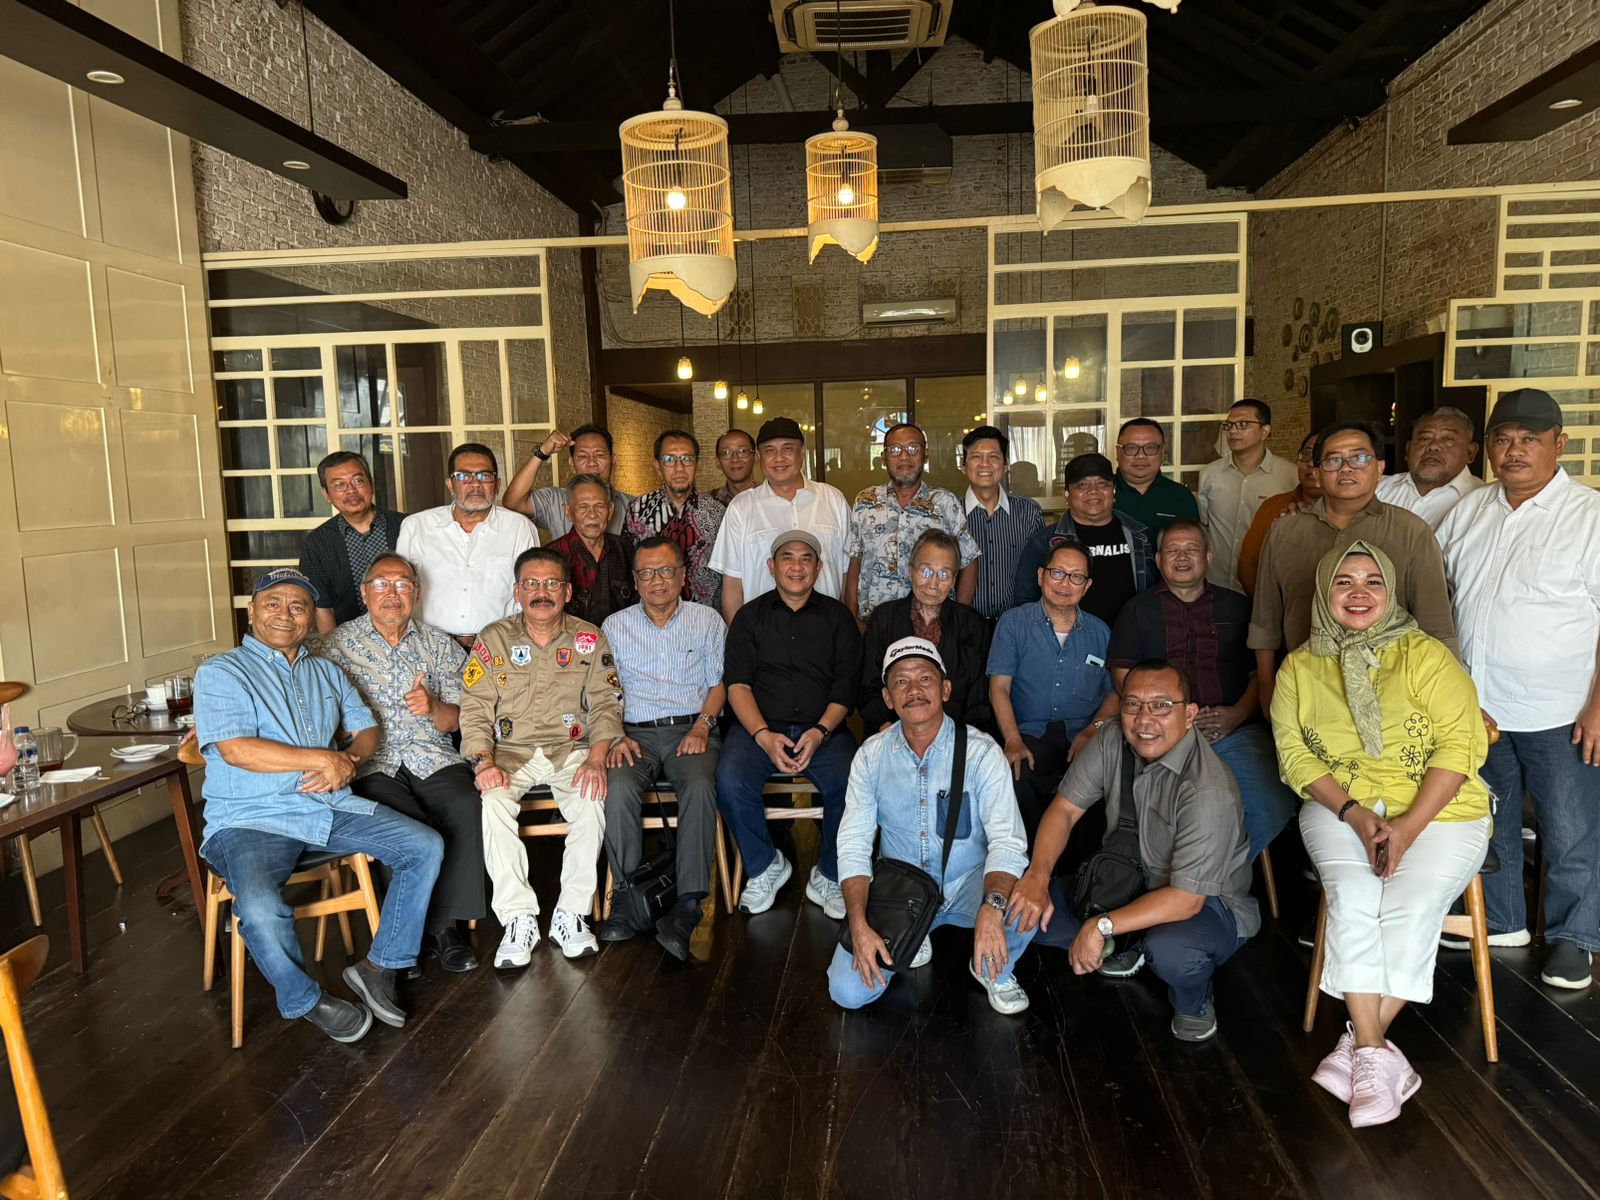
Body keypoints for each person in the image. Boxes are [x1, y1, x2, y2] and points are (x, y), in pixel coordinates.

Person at [1271, 542, 1491, 1125]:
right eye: (1344, 581)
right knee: (1353, 899)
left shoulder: (1426, 655)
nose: (1359, 592)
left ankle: (1361, 1048)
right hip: (1339, 808)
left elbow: (1461, 745)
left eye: (1373, 581)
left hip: (1441, 811)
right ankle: (1375, 1053)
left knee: (1410, 906)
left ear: (1391, 592)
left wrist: (1407, 828)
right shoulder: (1299, 668)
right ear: (1324, 593)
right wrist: (1355, 814)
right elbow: (1294, 756)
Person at [194, 568, 444, 1043]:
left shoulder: (325, 671)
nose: (285, 615)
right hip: (251, 819)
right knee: (260, 909)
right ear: (252, 611)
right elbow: (237, 750)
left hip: (326, 807)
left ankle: (379, 966)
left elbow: (367, 729)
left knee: (424, 846)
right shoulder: (222, 672)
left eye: (298, 606)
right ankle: (305, 999)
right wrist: (323, 758)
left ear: (311, 618)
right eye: (273, 604)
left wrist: (349, 761)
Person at [1437, 388, 1600, 990]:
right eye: (1503, 439)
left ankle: (1575, 937)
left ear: (1560, 444)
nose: (1514, 451)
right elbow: (1441, 591)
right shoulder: (1471, 510)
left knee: (1570, 828)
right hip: (1477, 706)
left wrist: (1599, 706)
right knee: (1487, 818)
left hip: (1561, 707)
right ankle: (1502, 919)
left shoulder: (1590, 515)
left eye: (1530, 439)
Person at [1009, 660, 1260, 1044]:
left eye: (1161, 705)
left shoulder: (1208, 788)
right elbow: (1064, 810)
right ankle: (1130, 940)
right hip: (1126, 880)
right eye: (1132, 704)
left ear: (1189, 714)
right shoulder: (1112, 737)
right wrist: (1037, 876)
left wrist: (1101, 925)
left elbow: (1187, 900)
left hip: (1206, 906)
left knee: (1174, 951)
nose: (1144, 719)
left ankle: (1193, 1002)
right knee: (1024, 913)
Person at [828, 638, 1037, 1014]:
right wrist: (857, 923)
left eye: (925, 678)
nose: (914, 690)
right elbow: (854, 844)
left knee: (1027, 905)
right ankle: (915, 932)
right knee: (847, 991)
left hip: (968, 884)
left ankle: (993, 968)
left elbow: (1007, 842)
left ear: (945, 689)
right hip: (902, 892)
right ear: (887, 698)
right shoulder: (871, 757)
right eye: (901, 681)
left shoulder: (982, 753)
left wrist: (992, 906)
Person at [319, 553, 487, 973]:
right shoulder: (332, 646)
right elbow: (286, 684)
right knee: (401, 820)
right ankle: (422, 931)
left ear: (417, 592)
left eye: (402, 584)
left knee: (466, 804)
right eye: (381, 584)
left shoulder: (440, 645)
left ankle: (443, 927)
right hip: (371, 761)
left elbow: (463, 716)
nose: (392, 593)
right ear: (364, 594)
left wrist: (433, 707)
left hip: (433, 754)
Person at [459, 548, 621, 967]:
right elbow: (474, 707)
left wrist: (597, 758)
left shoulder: (589, 638)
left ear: (567, 591)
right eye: (531, 584)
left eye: (551, 583)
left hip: (571, 750)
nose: (541, 592)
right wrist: (483, 762)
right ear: (517, 592)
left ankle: (571, 914)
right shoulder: (494, 638)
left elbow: (606, 702)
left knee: (591, 799)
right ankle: (518, 918)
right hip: (509, 753)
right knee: (493, 803)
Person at [1108, 521, 1295, 858]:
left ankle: (1215, 876)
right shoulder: (1137, 610)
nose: (1182, 557)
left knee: (1270, 802)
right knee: (1158, 810)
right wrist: (1169, 723)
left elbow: (1260, 673)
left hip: (1234, 732)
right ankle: (1197, 878)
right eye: (1173, 550)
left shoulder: (1237, 607)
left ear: (1208, 557)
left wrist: (1237, 714)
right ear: (1158, 560)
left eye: (1191, 549)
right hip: (1163, 735)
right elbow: (1123, 675)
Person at [1249, 422, 1457, 716]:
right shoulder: (1284, 531)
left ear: (1380, 468)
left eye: (1359, 458)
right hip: (1304, 691)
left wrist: (1450, 696)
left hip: (1395, 694)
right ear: (1317, 472)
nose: (1346, 468)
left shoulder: (1411, 532)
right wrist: (1266, 686)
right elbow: (1265, 621)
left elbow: (1436, 625)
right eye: (1333, 460)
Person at [716, 531, 862, 917]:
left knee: (853, 781)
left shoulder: (838, 619)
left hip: (824, 731)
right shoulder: (749, 618)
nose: (797, 566)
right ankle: (765, 865)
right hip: (759, 730)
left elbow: (845, 687)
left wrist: (820, 732)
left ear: (818, 567)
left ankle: (830, 873)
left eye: (805, 559)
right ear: (771, 566)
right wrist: (763, 736)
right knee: (730, 779)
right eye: (787, 558)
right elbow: (737, 685)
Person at [599, 537, 727, 960]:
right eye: (647, 573)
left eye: (667, 570)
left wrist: (703, 727)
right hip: (632, 734)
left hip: (692, 729)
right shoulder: (614, 626)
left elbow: (719, 685)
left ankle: (688, 905)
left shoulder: (707, 620)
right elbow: (603, 690)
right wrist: (615, 734)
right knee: (617, 787)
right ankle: (626, 897)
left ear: (683, 575)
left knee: (700, 786)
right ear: (635, 580)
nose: (658, 580)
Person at [988, 539, 1117, 839]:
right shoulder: (1013, 623)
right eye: (1057, 573)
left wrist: (1093, 730)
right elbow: (999, 688)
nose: (1065, 583)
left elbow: (1115, 693)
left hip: (1085, 735)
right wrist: (1012, 740)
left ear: (1087, 586)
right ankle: (1027, 860)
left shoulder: (1100, 632)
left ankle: (1084, 866)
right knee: (1018, 774)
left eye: (1076, 576)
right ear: (1040, 576)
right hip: (1030, 733)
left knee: (1102, 781)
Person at [396, 443, 538, 648]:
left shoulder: (519, 528)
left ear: (497, 484)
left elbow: (530, 593)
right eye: (464, 476)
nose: (475, 484)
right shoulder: (417, 526)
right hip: (430, 647)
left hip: (498, 647)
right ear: (450, 485)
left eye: (484, 476)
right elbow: (401, 591)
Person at [707, 418, 851, 618]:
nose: (779, 458)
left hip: (827, 628)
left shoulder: (833, 500)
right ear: (759, 457)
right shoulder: (741, 508)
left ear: (802, 452)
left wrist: (845, 628)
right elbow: (732, 583)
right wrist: (739, 634)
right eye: (769, 451)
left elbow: (847, 573)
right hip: (761, 631)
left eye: (787, 449)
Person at [842, 422, 980, 623]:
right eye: (895, 449)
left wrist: (957, 619)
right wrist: (853, 620)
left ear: (926, 455)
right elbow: (855, 561)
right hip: (872, 625)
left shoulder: (943, 502)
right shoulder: (865, 501)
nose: (904, 457)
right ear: (884, 457)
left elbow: (969, 560)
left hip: (931, 626)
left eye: (913, 448)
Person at [859, 529, 992, 734]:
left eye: (944, 574)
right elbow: (868, 687)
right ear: (911, 571)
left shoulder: (972, 625)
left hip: (956, 737)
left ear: (954, 579)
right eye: (926, 572)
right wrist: (890, 731)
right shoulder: (884, 618)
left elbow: (979, 699)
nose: (933, 584)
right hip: (891, 732)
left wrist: (959, 740)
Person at [1012, 452, 1153, 628]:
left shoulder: (1140, 536)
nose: (1093, 490)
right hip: (1067, 639)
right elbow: (1024, 601)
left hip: (1131, 636)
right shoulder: (1045, 541)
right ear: (1067, 494)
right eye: (1082, 485)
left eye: (1102, 483)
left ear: (1114, 490)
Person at [298, 451, 405, 633]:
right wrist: (336, 649)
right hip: (349, 640)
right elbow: (322, 608)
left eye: (358, 481)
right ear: (326, 494)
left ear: (371, 483)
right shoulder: (317, 543)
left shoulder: (406, 526)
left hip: (409, 635)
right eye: (339, 485)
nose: (351, 491)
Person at [1197, 399, 1299, 591]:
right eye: (1229, 425)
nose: (1233, 431)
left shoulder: (1290, 476)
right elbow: (1205, 525)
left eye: (1243, 424)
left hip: (1264, 586)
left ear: (1264, 431)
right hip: (1216, 584)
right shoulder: (1210, 474)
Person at [622, 429, 726, 608]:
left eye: (687, 459)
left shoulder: (717, 512)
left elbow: (729, 573)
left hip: (705, 616)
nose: (679, 468)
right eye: (669, 459)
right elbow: (628, 565)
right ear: (657, 466)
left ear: (697, 464)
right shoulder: (638, 509)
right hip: (653, 615)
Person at [960, 425, 1044, 621]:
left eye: (993, 457)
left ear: (1006, 466)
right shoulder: (950, 512)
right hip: (966, 625)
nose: (985, 464)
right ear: (963, 466)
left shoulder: (1028, 511)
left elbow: (1042, 568)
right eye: (976, 456)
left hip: (1018, 624)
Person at [503, 424, 636, 540]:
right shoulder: (554, 500)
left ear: (614, 461)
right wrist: (542, 452)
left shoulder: (633, 507)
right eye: (583, 456)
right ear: (572, 464)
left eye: (599, 455)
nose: (592, 463)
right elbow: (513, 502)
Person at [1237, 431, 1322, 599]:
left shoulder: (1348, 509)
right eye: (1306, 454)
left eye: (1322, 457)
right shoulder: (1273, 506)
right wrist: (1270, 605)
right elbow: (1247, 565)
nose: (1311, 463)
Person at [1375, 407, 1482, 531]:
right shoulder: (1377, 488)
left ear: (1470, 453)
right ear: (1408, 450)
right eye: (1424, 439)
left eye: (1448, 439)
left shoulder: (1483, 503)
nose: (1433, 446)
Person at [548, 474, 636, 626]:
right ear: (568, 511)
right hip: (572, 640)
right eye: (583, 507)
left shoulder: (626, 550)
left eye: (599, 506)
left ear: (610, 510)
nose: (592, 514)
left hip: (622, 639)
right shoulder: (552, 557)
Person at [1113, 419, 1200, 538]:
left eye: (1150, 448)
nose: (1141, 456)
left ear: (1162, 452)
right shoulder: (1099, 494)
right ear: (1118, 452)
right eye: (1131, 448)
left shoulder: (1181, 496)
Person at [712, 428, 759, 506]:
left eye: (742, 451)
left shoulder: (770, 498)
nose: (735, 459)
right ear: (718, 462)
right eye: (726, 453)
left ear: (756, 458)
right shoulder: (707, 504)